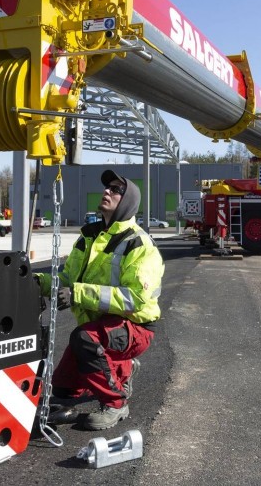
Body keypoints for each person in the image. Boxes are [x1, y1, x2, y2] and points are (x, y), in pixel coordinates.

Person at [35, 170, 165, 430]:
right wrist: (36, 281)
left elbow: (135, 299)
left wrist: (78, 294)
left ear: (127, 201)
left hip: (134, 327)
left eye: (116, 190)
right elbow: (69, 278)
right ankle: (120, 370)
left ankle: (116, 403)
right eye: (107, 188)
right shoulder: (89, 237)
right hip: (101, 326)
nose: (107, 191)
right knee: (62, 390)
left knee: (84, 339)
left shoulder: (139, 244)